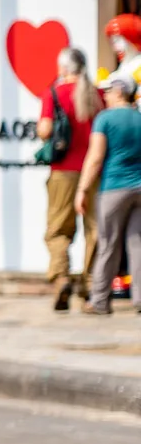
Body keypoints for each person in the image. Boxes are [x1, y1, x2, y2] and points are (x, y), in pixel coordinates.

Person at [38, 48, 102, 311]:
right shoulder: (96, 94)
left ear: (64, 68)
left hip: (63, 171)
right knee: (95, 230)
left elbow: (44, 131)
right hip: (94, 171)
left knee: (57, 229)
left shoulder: (54, 93)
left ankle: (62, 277)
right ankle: (90, 285)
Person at [81, 71, 141, 316]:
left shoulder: (104, 119)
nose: (104, 95)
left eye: (107, 91)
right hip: (140, 187)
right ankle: (140, 300)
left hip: (114, 188)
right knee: (137, 245)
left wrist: (82, 188)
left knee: (108, 244)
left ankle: (100, 300)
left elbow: (95, 158)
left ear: (118, 92)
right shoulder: (139, 118)